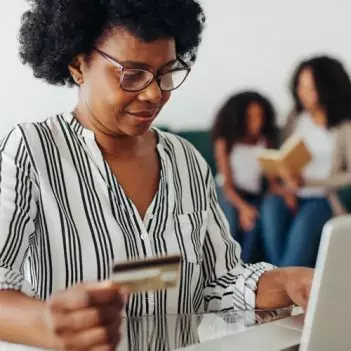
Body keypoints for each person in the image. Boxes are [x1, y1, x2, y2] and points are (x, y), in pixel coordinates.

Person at [0, 0, 312, 349]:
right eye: (131, 74)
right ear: (78, 65)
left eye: (166, 72)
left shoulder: (186, 161)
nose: (154, 93)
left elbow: (217, 282)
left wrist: (287, 282)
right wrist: (45, 323)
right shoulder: (32, 150)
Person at [261, 56, 351, 268]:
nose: (303, 94)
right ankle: (279, 283)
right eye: (300, 87)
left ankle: (280, 289)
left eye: (310, 89)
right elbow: (285, 155)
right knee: (270, 209)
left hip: (323, 197)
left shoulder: (345, 126)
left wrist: (309, 182)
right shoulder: (295, 116)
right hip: (289, 192)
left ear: (328, 89)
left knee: (302, 234)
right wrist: (284, 181)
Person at [212, 92, 277, 263]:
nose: (258, 122)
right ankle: (227, 270)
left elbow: (272, 181)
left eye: (260, 116)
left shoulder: (265, 140)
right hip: (227, 193)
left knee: (255, 224)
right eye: (251, 117)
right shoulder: (225, 142)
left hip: (253, 195)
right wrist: (242, 208)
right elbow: (227, 186)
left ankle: (247, 271)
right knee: (231, 224)